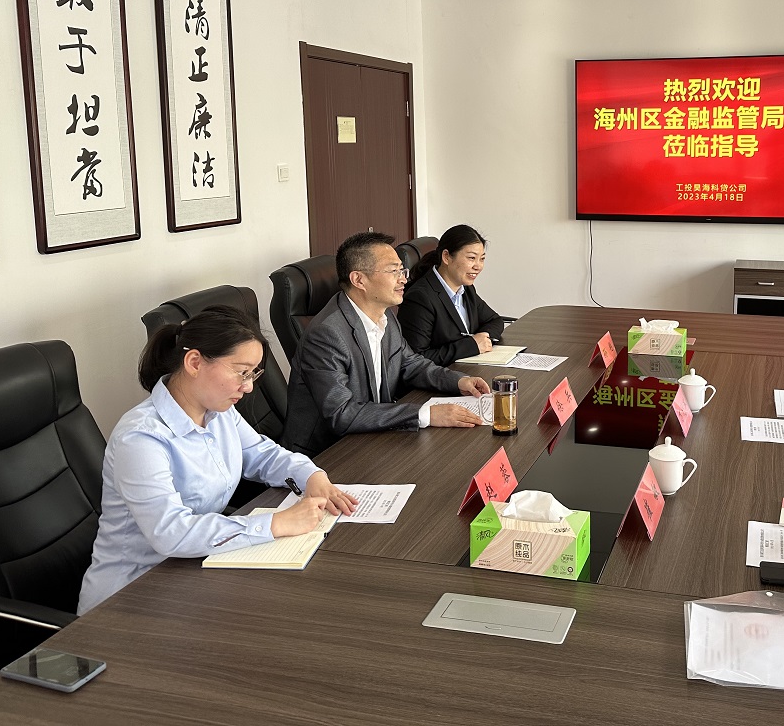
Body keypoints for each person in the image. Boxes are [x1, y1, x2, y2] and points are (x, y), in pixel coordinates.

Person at [78, 306, 357, 615]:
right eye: (241, 372)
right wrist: (277, 523)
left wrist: (312, 476)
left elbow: (263, 455)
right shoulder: (141, 437)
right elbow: (170, 532)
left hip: (195, 571)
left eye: (253, 373)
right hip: (130, 596)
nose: (248, 386)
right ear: (195, 362)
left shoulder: (218, 412)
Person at [281, 231, 491, 457]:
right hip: (327, 454)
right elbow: (341, 414)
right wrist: (425, 414)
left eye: (402, 270)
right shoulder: (326, 334)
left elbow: (410, 363)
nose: (404, 279)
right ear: (359, 280)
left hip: (372, 436)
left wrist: (458, 381)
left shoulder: (385, 314)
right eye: (393, 271)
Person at [397, 224, 507, 367]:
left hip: (468, 370)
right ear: (446, 257)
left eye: (482, 259)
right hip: (439, 378)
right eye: (471, 258)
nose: (478, 266)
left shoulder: (466, 289)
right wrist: (471, 345)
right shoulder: (420, 298)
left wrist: (482, 338)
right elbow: (415, 359)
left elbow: (495, 320)